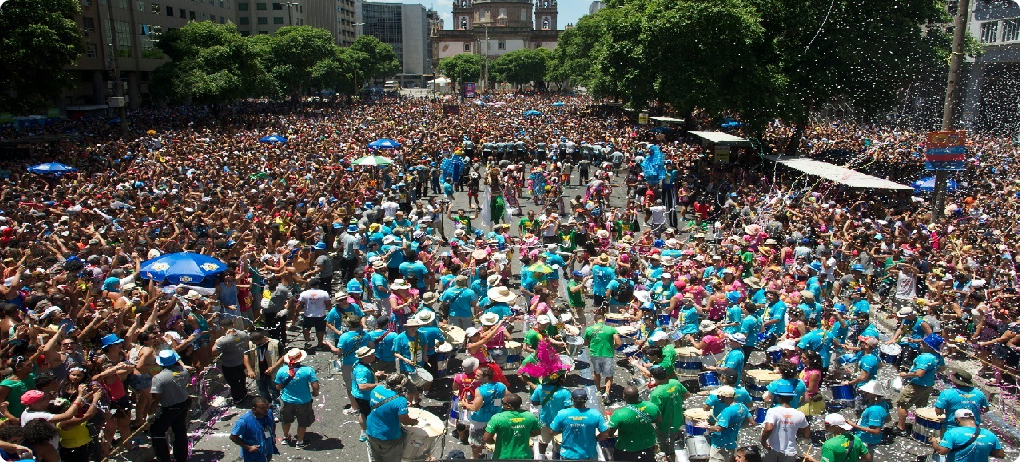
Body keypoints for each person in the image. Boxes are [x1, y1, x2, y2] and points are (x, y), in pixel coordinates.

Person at [893, 334, 944, 436]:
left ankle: (901, 428)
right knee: (921, 407)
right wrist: (931, 371)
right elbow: (942, 368)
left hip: (917, 385)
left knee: (901, 404)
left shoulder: (924, 357)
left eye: (923, 343)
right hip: (928, 385)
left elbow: (919, 373)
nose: (921, 344)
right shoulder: (938, 357)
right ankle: (918, 428)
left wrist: (906, 374)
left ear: (929, 346)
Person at [150, 350, 193, 462]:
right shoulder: (184, 372)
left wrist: (150, 412)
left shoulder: (159, 378)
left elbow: (156, 398)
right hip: (183, 403)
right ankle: (181, 456)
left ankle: (163, 458)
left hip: (168, 407)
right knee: (180, 430)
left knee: (157, 432)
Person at [366, 374, 419, 462]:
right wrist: (414, 422)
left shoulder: (377, 389)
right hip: (389, 435)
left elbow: (375, 405)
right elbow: (404, 421)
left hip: (371, 429)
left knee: (376, 457)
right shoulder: (400, 400)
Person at [274, 348, 320, 448]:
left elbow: (278, 386)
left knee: (286, 420)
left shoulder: (281, 370)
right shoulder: (308, 370)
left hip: (286, 400)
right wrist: (316, 393)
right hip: (304, 400)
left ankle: (286, 437)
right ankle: (300, 441)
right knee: (303, 421)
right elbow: (315, 385)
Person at [462, 365, 509, 459]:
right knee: (495, 442)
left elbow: (475, 408)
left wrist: (465, 404)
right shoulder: (501, 386)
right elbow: (509, 399)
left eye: (478, 376)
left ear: (486, 377)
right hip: (497, 418)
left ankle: (477, 459)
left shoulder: (480, 390)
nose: (475, 377)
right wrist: (497, 401)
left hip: (480, 420)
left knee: (476, 444)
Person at [551, 388, 610, 461]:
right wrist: (595, 439)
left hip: (568, 455)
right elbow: (605, 433)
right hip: (589, 454)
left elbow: (553, 431)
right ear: (586, 399)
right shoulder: (595, 414)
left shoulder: (562, 414)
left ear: (572, 399)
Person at [607, 386, 661, 462]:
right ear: (638, 396)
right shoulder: (650, 406)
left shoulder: (619, 414)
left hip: (627, 448)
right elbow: (659, 419)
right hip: (648, 444)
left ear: (624, 396)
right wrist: (642, 422)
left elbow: (610, 434)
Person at [648, 365, 689, 462]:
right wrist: (677, 401)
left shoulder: (656, 393)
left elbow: (655, 413)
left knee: (666, 450)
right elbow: (687, 394)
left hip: (665, 425)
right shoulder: (675, 383)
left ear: (653, 376)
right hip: (677, 420)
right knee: (670, 444)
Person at [483, 393, 542, 459]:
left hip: (502, 457)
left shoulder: (497, 418)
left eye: (503, 403)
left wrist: (494, 441)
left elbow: (486, 438)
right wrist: (523, 433)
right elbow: (537, 432)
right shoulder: (530, 416)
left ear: (509, 406)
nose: (502, 404)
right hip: (524, 457)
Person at [932, 409, 1005, 462]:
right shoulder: (989, 434)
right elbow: (1001, 454)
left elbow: (942, 451)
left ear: (957, 420)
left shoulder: (952, 432)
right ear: (974, 419)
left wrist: (934, 442)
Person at [759, 385, 810, 462]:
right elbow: (806, 433)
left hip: (772, 448)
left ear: (778, 398)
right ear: (792, 398)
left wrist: (763, 442)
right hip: (789, 451)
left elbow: (768, 428)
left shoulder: (773, 411)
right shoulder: (800, 414)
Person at [706, 385, 752, 462]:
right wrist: (735, 425)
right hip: (731, 444)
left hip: (720, 445)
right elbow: (752, 422)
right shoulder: (742, 406)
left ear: (726, 397)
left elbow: (719, 428)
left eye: (720, 396)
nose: (718, 398)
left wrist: (706, 426)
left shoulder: (727, 411)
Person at [530, 374, 572, 458]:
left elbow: (534, 402)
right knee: (558, 442)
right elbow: (568, 409)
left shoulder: (539, 388)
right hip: (560, 423)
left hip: (544, 420)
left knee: (543, 441)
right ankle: (555, 457)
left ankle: (542, 456)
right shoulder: (565, 392)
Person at [584, 312, 621, 402]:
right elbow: (619, 342)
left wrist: (591, 345)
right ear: (604, 320)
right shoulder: (611, 329)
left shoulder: (589, 329)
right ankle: (607, 392)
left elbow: (585, 342)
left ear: (595, 321)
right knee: (609, 374)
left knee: (597, 372)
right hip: (607, 354)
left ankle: (599, 390)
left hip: (595, 354)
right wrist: (613, 347)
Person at [229, 397, 279, 462]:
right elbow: (233, 436)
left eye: (267, 407)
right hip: (253, 455)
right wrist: (248, 447)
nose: (266, 410)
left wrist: (273, 436)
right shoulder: (244, 421)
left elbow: (273, 424)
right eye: (262, 408)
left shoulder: (268, 413)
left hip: (267, 448)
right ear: (254, 409)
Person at [804, 414, 871, 462]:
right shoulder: (855, 438)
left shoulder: (829, 445)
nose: (825, 428)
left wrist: (812, 460)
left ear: (836, 427)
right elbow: (868, 457)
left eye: (827, 425)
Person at [848, 380, 890, 452]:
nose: (865, 393)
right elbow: (888, 419)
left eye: (868, 392)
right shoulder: (883, 403)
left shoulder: (874, 410)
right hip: (872, 439)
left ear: (874, 394)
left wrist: (855, 426)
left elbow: (876, 431)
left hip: (866, 440)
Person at [213, 327, 252, 406]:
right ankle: (244, 393)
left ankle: (238, 399)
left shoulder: (223, 340)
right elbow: (247, 343)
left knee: (233, 382)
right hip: (241, 361)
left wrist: (216, 342)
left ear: (223, 327)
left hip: (229, 365)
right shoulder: (243, 334)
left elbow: (214, 352)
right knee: (242, 378)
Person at [244, 331, 284, 404]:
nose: (255, 345)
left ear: (262, 340)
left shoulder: (275, 343)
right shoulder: (251, 344)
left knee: (274, 390)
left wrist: (274, 367)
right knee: (262, 389)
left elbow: (283, 356)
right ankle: (267, 404)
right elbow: (245, 356)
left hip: (273, 372)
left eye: (257, 343)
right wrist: (249, 370)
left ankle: (277, 405)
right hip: (259, 371)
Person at [352, 346, 379, 442]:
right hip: (364, 397)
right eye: (370, 355)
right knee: (369, 415)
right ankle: (369, 433)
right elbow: (362, 386)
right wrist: (377, 385)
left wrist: (375, 375)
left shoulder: (362, 364)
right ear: (364, 357)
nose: (373, 355)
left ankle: (363, 432)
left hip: (360, 395)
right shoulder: (361, 370)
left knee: (363, 413)